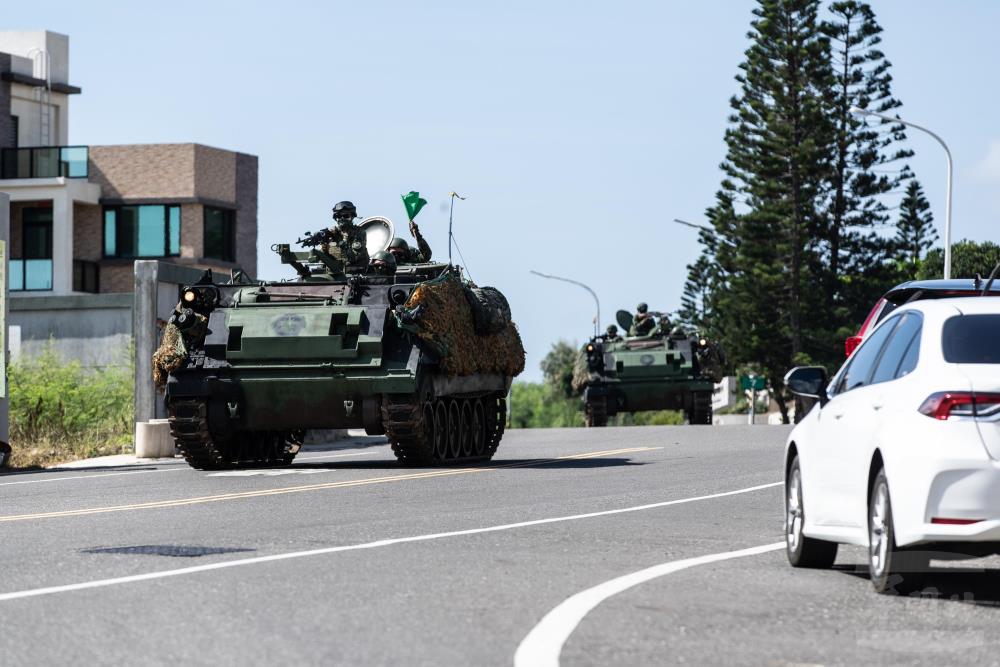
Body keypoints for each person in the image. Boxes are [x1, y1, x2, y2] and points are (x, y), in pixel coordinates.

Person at [326, 200, 369, 271]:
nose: (342, 219)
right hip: (334, 273)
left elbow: (353, 257)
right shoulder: (331, 233)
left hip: (356, 273)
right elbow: (322, 260)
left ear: (352, 217)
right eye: (339, 216)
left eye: (346, 216)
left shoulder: (359, 232)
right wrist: (323, 246)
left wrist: (340, 241)